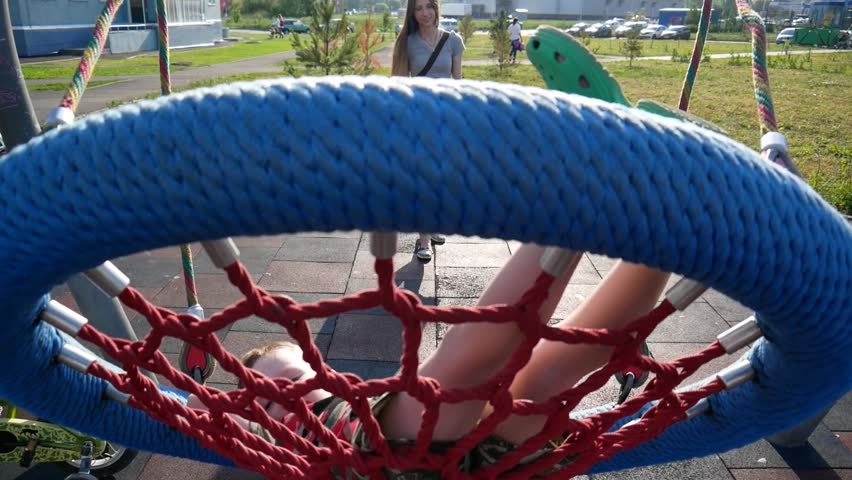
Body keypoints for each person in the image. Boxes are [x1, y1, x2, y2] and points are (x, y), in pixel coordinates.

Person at [188, 244, 671, 476]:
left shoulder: (352, 406)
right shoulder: (297, 454)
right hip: (382, 464)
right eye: (268, 411)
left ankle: (658, 236)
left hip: (464, 456)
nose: (285, 402)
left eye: (290, 382)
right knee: (462, 371)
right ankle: (581, 208)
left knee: (556, 367)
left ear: (328, 377)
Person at [390, 0, 465, 263]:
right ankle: (423, 241)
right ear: (412, 13)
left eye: (428, 7)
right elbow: (398, 84)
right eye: (418, 8)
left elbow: (458, 82)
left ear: (436, 9)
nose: (424, 13)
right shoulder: (407, 43)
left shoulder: (453, 40)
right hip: (419, 117)